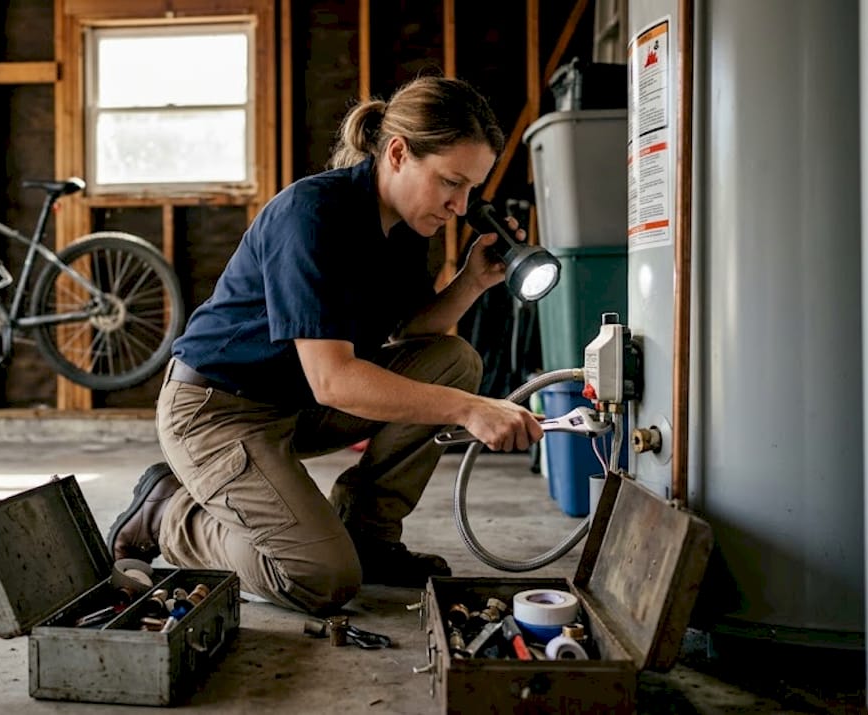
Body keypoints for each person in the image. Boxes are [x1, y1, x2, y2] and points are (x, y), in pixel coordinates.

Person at [107, 76, 543, 616]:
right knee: (319, 578)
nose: (460, 206)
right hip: (216, 413)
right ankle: (169, 514)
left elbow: (410, 335)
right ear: (399, 153)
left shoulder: (407, 230)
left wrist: (472, 282)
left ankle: (370, 535)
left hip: (294, 406)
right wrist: (470, 410)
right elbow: (334, 379)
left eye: (471, 190)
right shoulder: (310, 215)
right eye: (451, 182)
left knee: (453, 362)